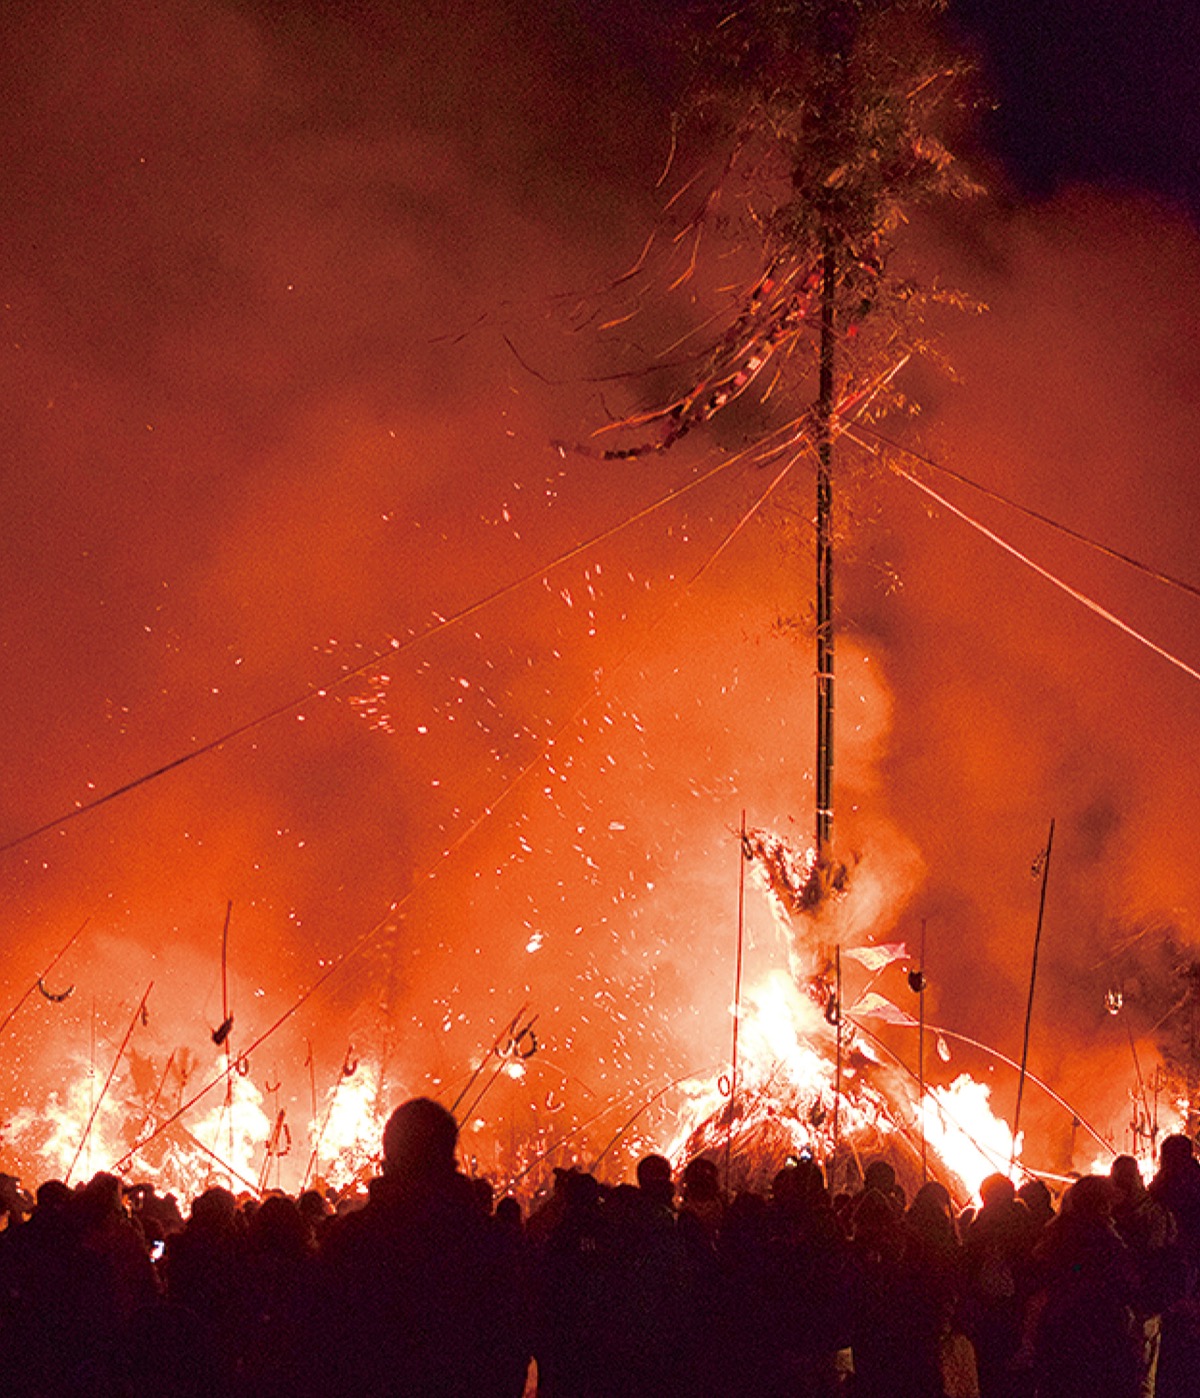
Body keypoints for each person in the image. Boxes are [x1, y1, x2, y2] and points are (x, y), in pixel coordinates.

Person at [314, 1096, 529, 1398]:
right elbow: (512, 1346)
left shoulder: (350, 1241)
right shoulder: (491, 1242)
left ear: (388, 1158)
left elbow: (322, 1349)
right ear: (450, 1156)